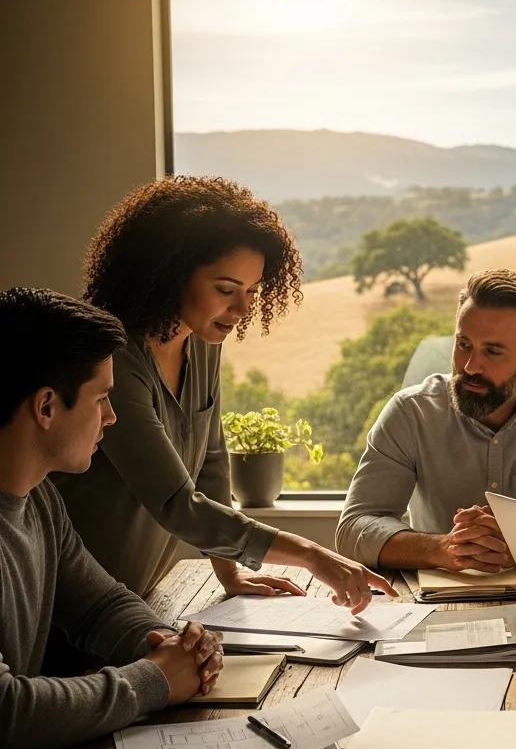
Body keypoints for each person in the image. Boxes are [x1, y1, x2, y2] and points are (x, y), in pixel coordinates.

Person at [54, 176, 396, 610]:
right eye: (226, 289)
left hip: (134, 599)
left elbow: (210, 463)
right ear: (171, 272)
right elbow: (178, 503)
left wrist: (230, 572)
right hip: (72, 610)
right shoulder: (115, 359)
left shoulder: (201, 342)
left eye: (252, 291)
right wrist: (313, 555)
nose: (242, 310)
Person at [0, 288, 223, 749]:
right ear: (46, 407)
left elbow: (98, 606)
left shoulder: (40, 499)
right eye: (101, 398)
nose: (111, 416)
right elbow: (7, 711)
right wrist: (155, 679)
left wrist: (173, 645)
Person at [337, 268, 516, 572]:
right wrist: (443, 548)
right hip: (435, 604)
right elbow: (353, 529)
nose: (471, 366)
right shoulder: (410, 412)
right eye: (464, 345)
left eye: (492, 351)